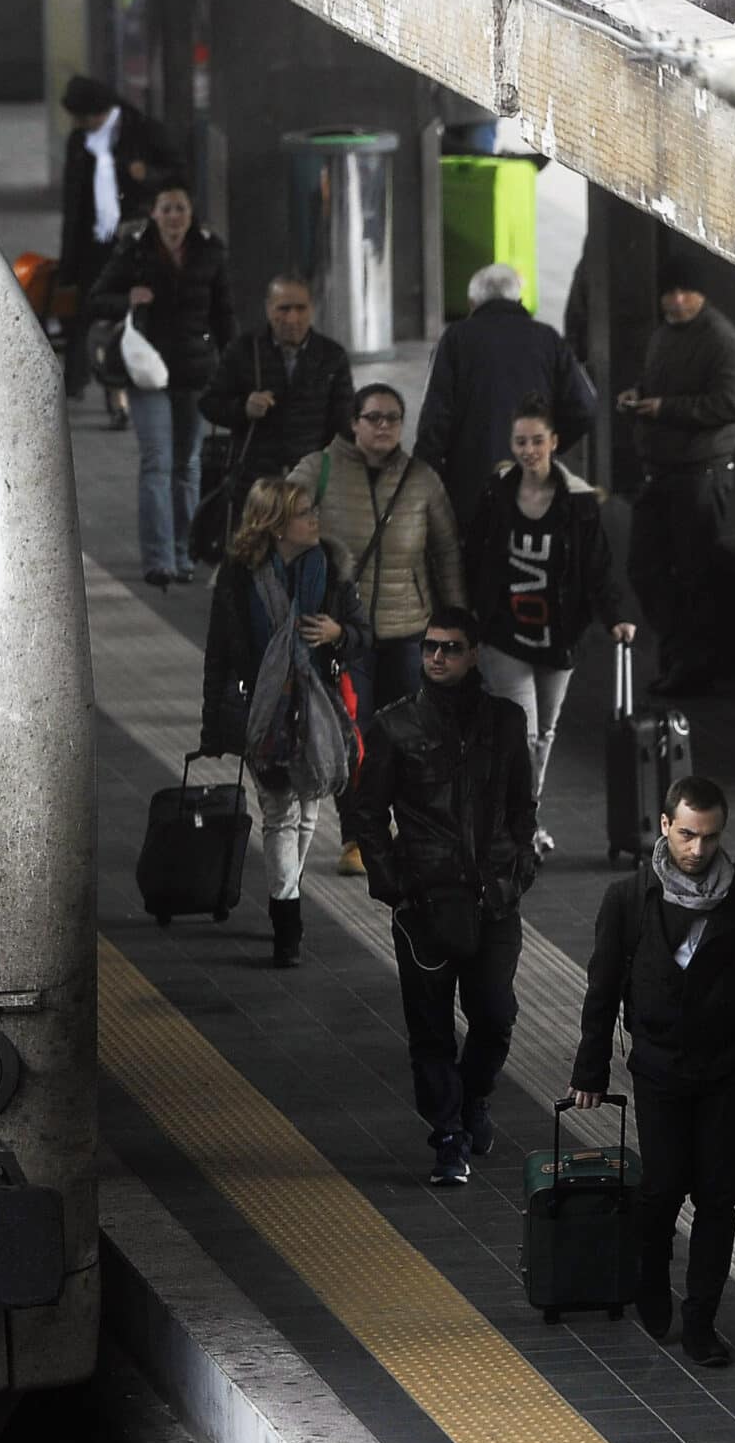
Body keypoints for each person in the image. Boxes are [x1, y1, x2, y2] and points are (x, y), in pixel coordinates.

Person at [569, 776, 735, 1367]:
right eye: (687, 835)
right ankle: (652, 1274)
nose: (698, 850)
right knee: (663, 1185)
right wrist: (590, 1070)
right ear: (664, 826)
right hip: (657, 1066)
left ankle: (701, 1318)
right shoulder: (628, 898)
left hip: (725, 1067)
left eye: (710, 837)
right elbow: (601, 990)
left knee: (718, 1197)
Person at [349, 607, 539, 1186]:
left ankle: (473, 1095)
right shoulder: (393, 727)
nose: (437, 657)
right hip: (425, 904)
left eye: (451, 648)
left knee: (495, 1015)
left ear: (474, 653)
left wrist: (518, 867)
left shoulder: (504, 722)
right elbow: (366, 812)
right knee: (430, 1029)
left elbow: (521, 806)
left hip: (493, 899)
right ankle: (447, 1135)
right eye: (431, 647)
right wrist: (392, 885)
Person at [290, 382, 464, 877]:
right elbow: (282, 529)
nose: (383, 426)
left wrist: (457, 626)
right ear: (354, 422)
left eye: (392, 417)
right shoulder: (317, 470)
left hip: (411, 629)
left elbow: (446, 552)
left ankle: (411, 831)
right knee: (355, 737)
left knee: (412, 740)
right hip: (346, 635)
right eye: (373, 417)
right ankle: (359, 837)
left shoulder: (421, 479)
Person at [200, 479, 360, 970]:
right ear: (275, 524)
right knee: (279, 815)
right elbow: (219, 653)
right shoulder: (238, 576)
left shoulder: (329, 567)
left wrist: (339, 633)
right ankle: (286, 917)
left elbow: (363, 635)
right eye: (304, 513)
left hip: (315, 710)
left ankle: (287, 890)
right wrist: (213, 725)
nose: (315, 520)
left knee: (309, 814)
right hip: (261, 711)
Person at [465, 395, 634, 854]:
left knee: (545, 735)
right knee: (522, 733)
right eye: (520, 441)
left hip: (558, 639)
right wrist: (470, 613)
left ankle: (525, 818)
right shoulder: (498, 493)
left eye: (537, 440)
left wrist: (615, 617)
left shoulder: (578, 504)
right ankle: (516, 827)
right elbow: (474, 552)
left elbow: (596, 568)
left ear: (554, 443)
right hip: (505, 635)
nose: (528, 450)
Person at [93, 181, 236, 588]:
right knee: (157, 462)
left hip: (194, 372)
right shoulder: (136, 251)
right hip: (148, 373)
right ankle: (158, 559)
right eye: (167, 208)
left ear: (191, 214)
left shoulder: (210, 252)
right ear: (154, 213)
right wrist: (128, 300)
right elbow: (98, 297)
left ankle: (184, 553)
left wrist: (230, 366)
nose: (174, 216)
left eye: (180, 208)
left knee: (187, 465)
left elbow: (224, 314)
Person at [619, 257, 735, 697]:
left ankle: (694, 665)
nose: (676, 300)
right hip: (662, 470)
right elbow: (656, 383)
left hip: (700, 473)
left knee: (694, 573)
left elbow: (732, 404)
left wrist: (665, 409)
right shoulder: (664, 335)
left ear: (702, 294)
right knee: (645, 567)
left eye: (685, 292)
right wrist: (640, 398)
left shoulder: (721, 340)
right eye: (669, 293)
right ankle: (680, 654)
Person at [415, 263, 595, 530]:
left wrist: (425, 481)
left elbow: (434, 420)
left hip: (469, 486)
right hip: (534, 483)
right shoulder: (548, 339)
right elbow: (585, 408)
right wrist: (546, 444)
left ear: (471, 302)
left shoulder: (455, 339)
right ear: (519, 300)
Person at [58, 76, 182, 419]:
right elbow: (74, 201)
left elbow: (179, 176)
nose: (81, 126)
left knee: (126, 315)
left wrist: (147, 177)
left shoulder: (142, 132)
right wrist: (68, 255)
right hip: (94, 241)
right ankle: (79, 378)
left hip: (135, 240)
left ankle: (119, 392)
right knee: (88, 311)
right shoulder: (79, 141)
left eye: (85, 118)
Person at [198, 275, 355, 496]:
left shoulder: (332, 356)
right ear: (268, 309)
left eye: (301, 308)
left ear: (312, 309)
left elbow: (344, 422)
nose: (292, 318)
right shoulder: (241, 351)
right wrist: (243, 409)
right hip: (255, 482)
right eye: (283, 309)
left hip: (311, 479)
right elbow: (208, 403)